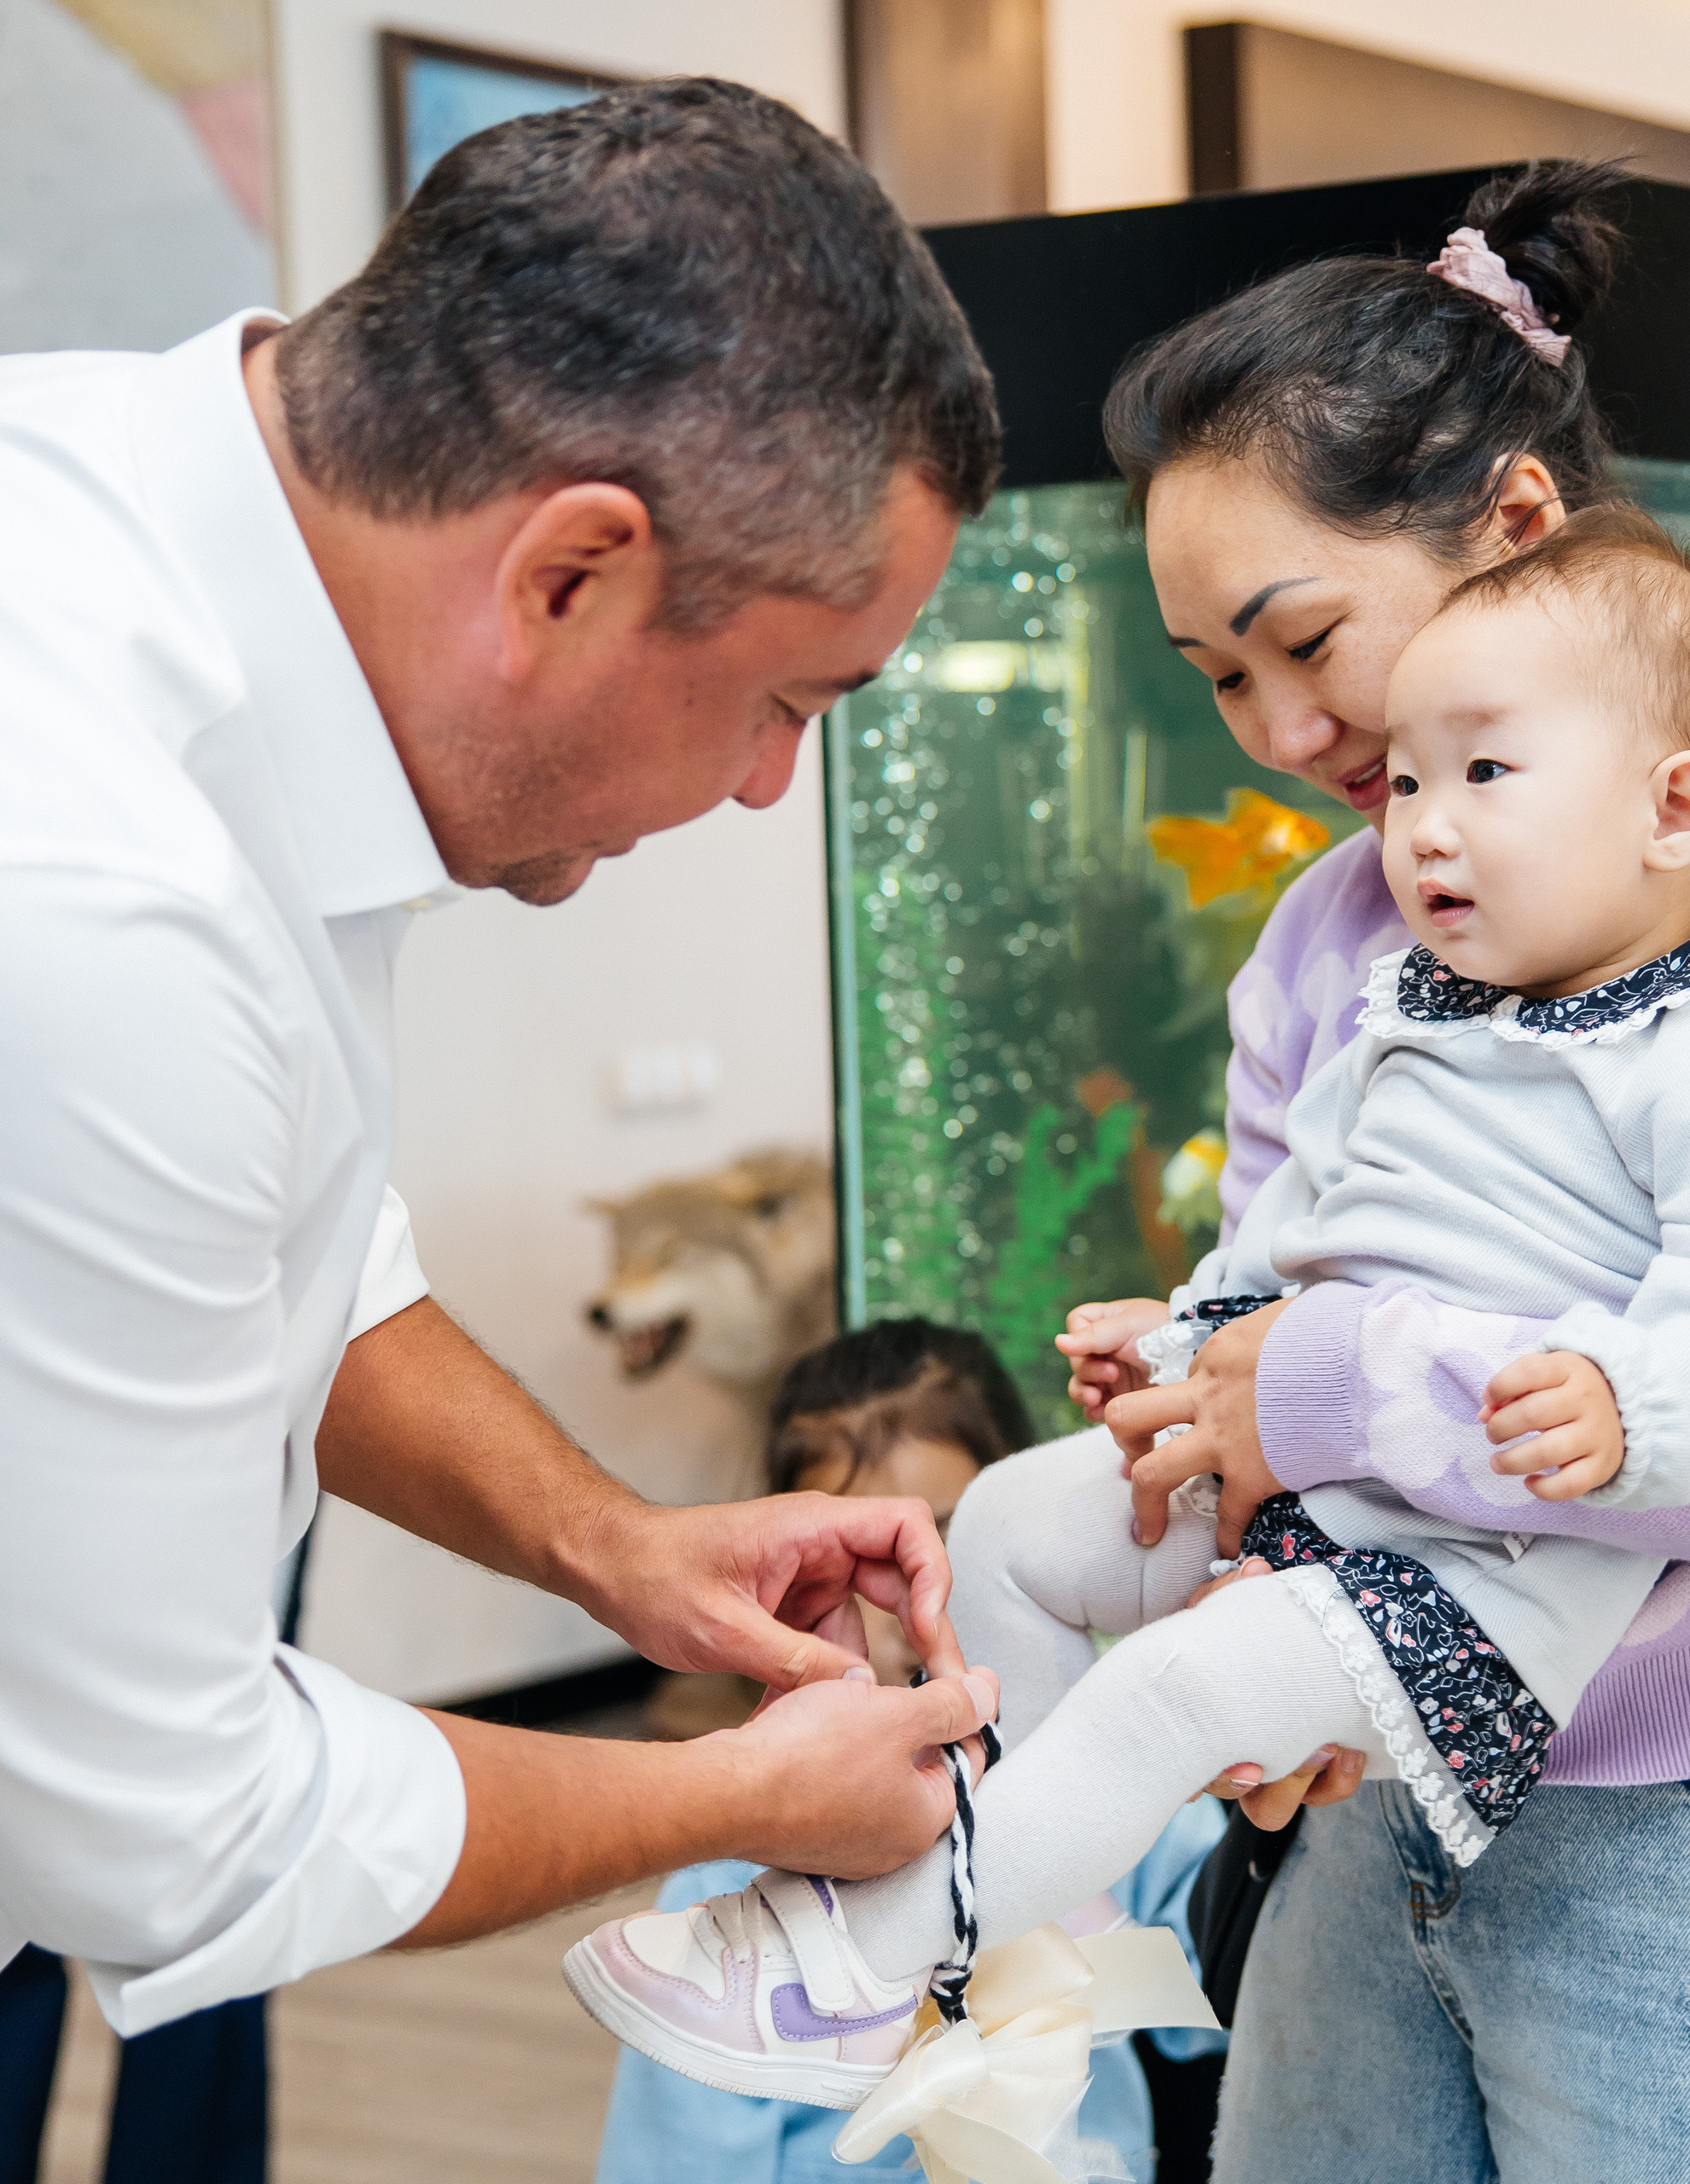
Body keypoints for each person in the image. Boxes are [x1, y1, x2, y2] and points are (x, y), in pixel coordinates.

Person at [563, 505, 1690, 2109]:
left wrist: (1633, 1400)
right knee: (1009, 1522)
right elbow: (1295, 1234)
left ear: (1675, 810)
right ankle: (1026, 1916)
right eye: (1411, 784)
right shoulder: (1409, 1013)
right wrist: (1186, 1342)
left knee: (1170, 1689)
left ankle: (866, 1962)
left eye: (1484, 774)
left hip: (1479, 1564)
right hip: (1310, 1484)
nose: (1423, 829)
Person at [1060, 160, 1690, 2182]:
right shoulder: (1326, 936)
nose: (1282, 729)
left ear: (1515, 520)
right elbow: (1276, 1335)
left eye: (1302, 638)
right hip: (1379, 1807)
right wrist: (1219, 1461)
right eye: (1216, 676)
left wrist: (1336, 1392)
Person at [0, 77, 1002, 2061]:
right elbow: (171, 1832)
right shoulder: (93, 894)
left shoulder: (131, 519)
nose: (765, 786)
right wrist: (733, 1792)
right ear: (567, 573)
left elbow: (287, 1249)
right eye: (781, 699)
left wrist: (615, 1544)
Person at [588, 1319, 1226, 2184]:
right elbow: (676, 2165)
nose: (910, 1613)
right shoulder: (725, 1894)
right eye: (862, 1569)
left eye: (951, 1547)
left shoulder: (1099, 1794)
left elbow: (1228, 1984)